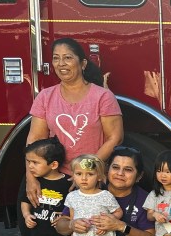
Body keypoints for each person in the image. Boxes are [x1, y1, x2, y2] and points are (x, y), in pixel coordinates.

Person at [25, 37, 123, 207]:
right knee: (52, 229)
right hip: (55, 177)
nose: (61, 63)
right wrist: (30, 178)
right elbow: (34, 142)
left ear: (83, 63)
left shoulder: (102, 96)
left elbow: (115, 138)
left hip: (91, 179)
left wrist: (85, 171)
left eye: (68, 58)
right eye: (56, 58)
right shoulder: (45, 97)